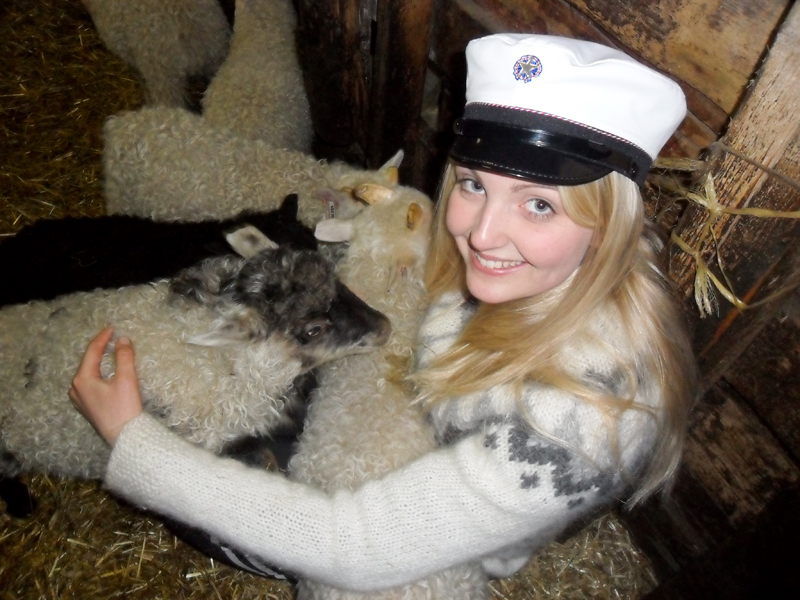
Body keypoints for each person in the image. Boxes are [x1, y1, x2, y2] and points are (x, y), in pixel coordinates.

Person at [70, 33, 697, 591]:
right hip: (439, 430)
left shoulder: (577, 426)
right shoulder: (525, 275)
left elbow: (352, 546)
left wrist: (136, 444)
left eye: (539, 205)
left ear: (607, 225)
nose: (481, 234)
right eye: (474, 184)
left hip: (463, 533)